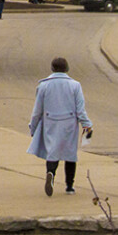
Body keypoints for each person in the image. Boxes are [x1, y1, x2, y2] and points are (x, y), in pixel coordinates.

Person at [27, 56, 93, 196]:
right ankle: (69, 186)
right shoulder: (75, 85)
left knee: (52, 151)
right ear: (67, 69)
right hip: (69, 122)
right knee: (70, 154)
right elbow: (80, 109)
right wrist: (87, 124)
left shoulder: (43, 85)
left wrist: (32, 127)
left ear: (52, 68)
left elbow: (37, 111)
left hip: (50, 121)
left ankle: (50, 173)